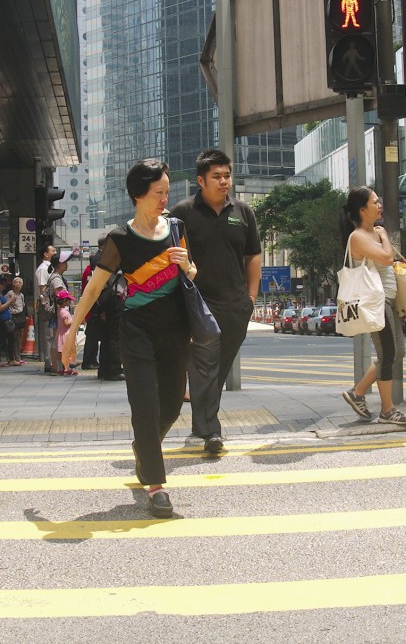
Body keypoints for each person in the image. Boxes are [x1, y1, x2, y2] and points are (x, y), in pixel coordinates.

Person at [63, 159, 193, 519]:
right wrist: (73, 332)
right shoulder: (119, 238)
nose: (165, 199)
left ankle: (143, 448)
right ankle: (156, 486)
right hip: (136, 329)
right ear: (138, 195)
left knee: (171, 405)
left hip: (175, 328)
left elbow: (192, 273)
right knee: (145, 405)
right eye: (158, 193)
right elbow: (93, 288)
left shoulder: (177, 228)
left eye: (167, 192)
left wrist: (186, 264)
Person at [169, 148, 261, 454]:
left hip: (236, 305)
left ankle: (201, 422)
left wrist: (250, 297)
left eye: (227, 175)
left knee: (218, 368)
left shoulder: (243, 212)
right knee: (204, 366)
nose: (224, 181)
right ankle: (211, 431)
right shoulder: (182, 213)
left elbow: (253, 256)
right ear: (201, 180)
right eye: (216, 176)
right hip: (199, 303)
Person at [340, 186, 406, 425]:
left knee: (396, 352)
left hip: (388, 300)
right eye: (374, 202)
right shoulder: (358, 236)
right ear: (362, 209)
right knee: (388, 353)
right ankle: (388, 410)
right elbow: (387, 258)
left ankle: (357, 393)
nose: (379, 205)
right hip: (375, 303)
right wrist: (383, 237)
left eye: (379, 201)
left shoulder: (372, 233)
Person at [45, 250, 70, 374]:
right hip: (58, 315)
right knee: (57, 341)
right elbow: (59, 297)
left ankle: (58, 365)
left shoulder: (57, 277)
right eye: (65, 262)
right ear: (58, 264)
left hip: (57, 315)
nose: (67, 264)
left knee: (57, 340)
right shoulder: (57, 279)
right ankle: (56, 366)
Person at [33, 243, 57, 373]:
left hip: (49, 305)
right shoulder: (43, 269)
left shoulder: (50, 268)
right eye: (53, 251)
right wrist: (47, 305)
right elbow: (42, 289)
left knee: (51, 335)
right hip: (46, 305)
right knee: (48, 335)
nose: (55, 252)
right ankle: (49, 363)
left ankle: (52, 361)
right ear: (46, 254)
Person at [80, 246, 103, 370]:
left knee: (92, 337)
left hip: (90, 309)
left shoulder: (88, 271)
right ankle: (88, 361)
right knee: (92, 337)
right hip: (92, 309)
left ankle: (91, 360)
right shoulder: (90, 273)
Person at [54, 289, 78, 375]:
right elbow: (66, 323)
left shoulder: (60, 310)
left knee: (61, 353)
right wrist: (75, 319)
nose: (70, 302)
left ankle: (61, 368)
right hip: (66, 335)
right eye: (69, 300)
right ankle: (66, 369)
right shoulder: (64, 312)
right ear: (64, 301)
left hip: (61, 334)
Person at [7, 276, 27, 365]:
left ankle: (18, 356)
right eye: (16, 282)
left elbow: (23, 305)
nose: (18, 284)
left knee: (19, 338)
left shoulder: (21, 295)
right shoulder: (10, 294)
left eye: (20, 283)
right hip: (12, 317)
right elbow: (5, 304)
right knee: (13, 338)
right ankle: (12, 357)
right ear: (13, 284)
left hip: (20, 317)